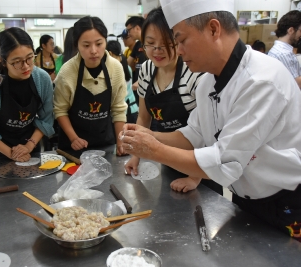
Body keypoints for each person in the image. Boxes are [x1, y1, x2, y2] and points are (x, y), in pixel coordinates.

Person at [120, 0, 301, 242]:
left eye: (181, 40)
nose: (179, 50)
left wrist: (154, 150)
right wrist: (147, 137)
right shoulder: (207, 82)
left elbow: (225, 160)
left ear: (214, 29)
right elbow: (192, 134)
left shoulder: (261, 80)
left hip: (286, 201)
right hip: (243, 198)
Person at [123, 7, 220, 194]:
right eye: (150, 43)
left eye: (167, 43)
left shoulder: (194, 73)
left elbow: (206, 134)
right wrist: (137, 154)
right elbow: (144, 118)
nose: (157, 51)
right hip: (167, 158)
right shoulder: (146, 70)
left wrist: (194, 177)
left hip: (200, 166)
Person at [0, 27, 54, 162]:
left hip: (29, 146)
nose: (26, 66)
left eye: (30, 58)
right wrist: (14, 154)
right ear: (3, 61)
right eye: (17, 62)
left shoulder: (42, 79)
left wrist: (28, 146)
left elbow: (46, 119)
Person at [53, 16, 127, 154]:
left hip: (105, 144)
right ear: (77, 45)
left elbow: (118, 109)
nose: (93, 50)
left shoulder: (115, 68)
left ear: (105, 41)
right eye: (86, 45)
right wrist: (74, 138)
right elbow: (60, 110)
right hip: (73, 146)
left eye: (99, 44)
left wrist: (121, 142)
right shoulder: (67, 72)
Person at [106, 40, 139, 124]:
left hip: (121, 113)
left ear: (110, 53)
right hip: (133, 109)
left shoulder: (113, 69)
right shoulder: (127, 67)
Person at [268, 10, 301, 89]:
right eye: (300, 31)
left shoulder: (280, 51)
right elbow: (296, 84)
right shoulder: (283, 54)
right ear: (291, 30)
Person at [124, 16, 146, 104]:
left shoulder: (151, 43)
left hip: (147, 85)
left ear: (137, 28)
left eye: (129, 30)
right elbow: (127, 63)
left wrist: (142, 81)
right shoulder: (138, 45)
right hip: (136, 87)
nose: (128, 34)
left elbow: (157, 66)